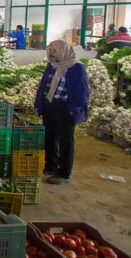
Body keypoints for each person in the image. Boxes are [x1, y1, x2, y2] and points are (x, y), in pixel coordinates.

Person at [35, 40, 90, 185]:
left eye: (55, 51)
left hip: (66, 108)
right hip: (49, 105)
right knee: (49, 136)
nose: (52, 54)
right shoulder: (51, 66)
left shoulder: (77, 68)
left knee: (66, 140)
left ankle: (64, 173)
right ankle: (51, 166)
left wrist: (76, 109)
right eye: (50, 50)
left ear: (64, 51)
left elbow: (83, 91)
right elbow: (43, 86)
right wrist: (39, 104)